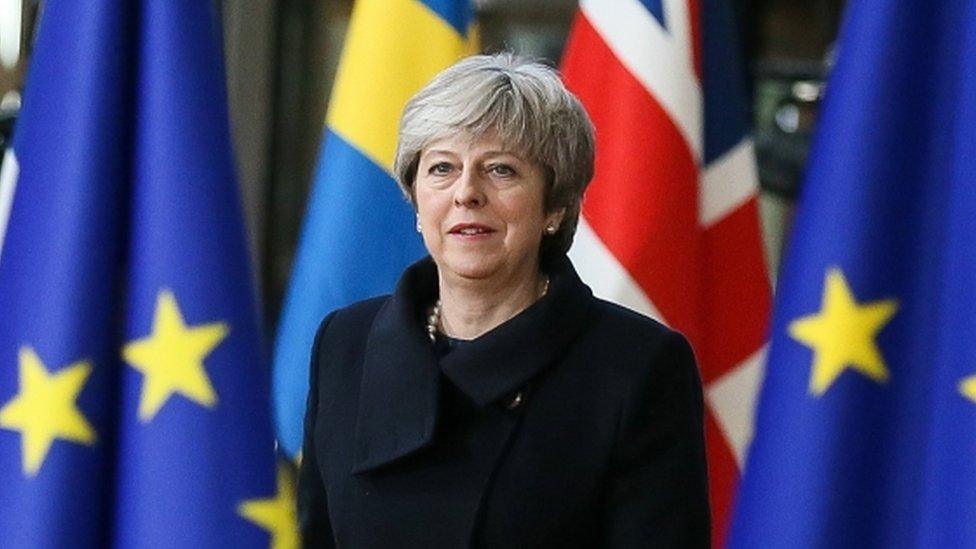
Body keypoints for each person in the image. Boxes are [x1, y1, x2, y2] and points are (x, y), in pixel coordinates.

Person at [297, 53, 710, 548]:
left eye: (501, 170)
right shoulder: (346, 343)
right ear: (415, 200)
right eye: (442, 168)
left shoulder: (636, 366)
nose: (466, 193)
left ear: (555, 206)